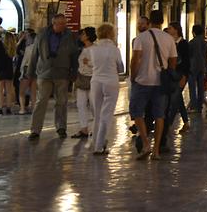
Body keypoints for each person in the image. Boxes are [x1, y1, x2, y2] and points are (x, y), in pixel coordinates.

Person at [129, 12, 177, 160]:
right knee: (159, 115)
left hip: (142, 81)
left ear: (149, 21)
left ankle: (145, 143)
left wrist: (133, 77)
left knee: (137, 112)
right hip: (160, 83)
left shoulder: (141, 38)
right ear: (163, 21)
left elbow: (135, 59)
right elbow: (173, 61)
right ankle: (156, 150)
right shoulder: (169, 39)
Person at [29, 14, 79, 139]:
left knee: (61, 101)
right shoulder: (42, 34)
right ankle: (35, 130)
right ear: (54, 23)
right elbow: (34, 53)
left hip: (62, 72)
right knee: (41, 101)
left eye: (64, 23)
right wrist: (30, 72)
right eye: (60, 23)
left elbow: (74, 55)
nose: (63, 26)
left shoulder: (70, 36)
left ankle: (61, 127)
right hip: (44, 72)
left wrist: (74, 72)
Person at [87, 22, 123, 155]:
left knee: (97, 114)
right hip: (111, 82)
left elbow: (92, 64)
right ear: (110, 34)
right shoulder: (114, 49)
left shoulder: (93, 49)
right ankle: (100, 145)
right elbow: (121, 68)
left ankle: (95, 142)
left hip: (96, 81)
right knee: (106, 114)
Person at [72, 27, 97, 138]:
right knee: (81, 104)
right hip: (81, 78)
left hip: (92, 79)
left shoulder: (95, 49)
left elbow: (98, 63)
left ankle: (96, 128)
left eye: (83, 34)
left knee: (93, 105)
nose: (81, 36)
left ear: (88, 36)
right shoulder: (81, 48)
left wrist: (89, 63)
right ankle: (84, 129)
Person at [166, 22, 190, 133]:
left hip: (180, 74)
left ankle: (168, 124)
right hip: (172, 74)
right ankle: (186, 122)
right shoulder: (170, 43)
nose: (168, 30)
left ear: (176, 30)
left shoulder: (184, 44)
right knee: (178, 98)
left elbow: (186, 62)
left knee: (175, 98)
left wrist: (184, 76)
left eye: (170, 28)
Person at [187, 24, 207, 113]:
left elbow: (188, 54)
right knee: (201, 87)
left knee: (192, 87)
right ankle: (200, 105)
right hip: (202, 65)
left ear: (194, 32)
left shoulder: (192, 42)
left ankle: (193, 106)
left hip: (192, 66)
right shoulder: (205, 42)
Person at [17, 29, 37, 114]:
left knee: (22, 91)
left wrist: (21, 72)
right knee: (33, 92)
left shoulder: (28, 48)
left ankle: (22, 109)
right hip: (36, 71)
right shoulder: (39, 48)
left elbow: (24, 61)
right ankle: (34, 108)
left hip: (27, 69)